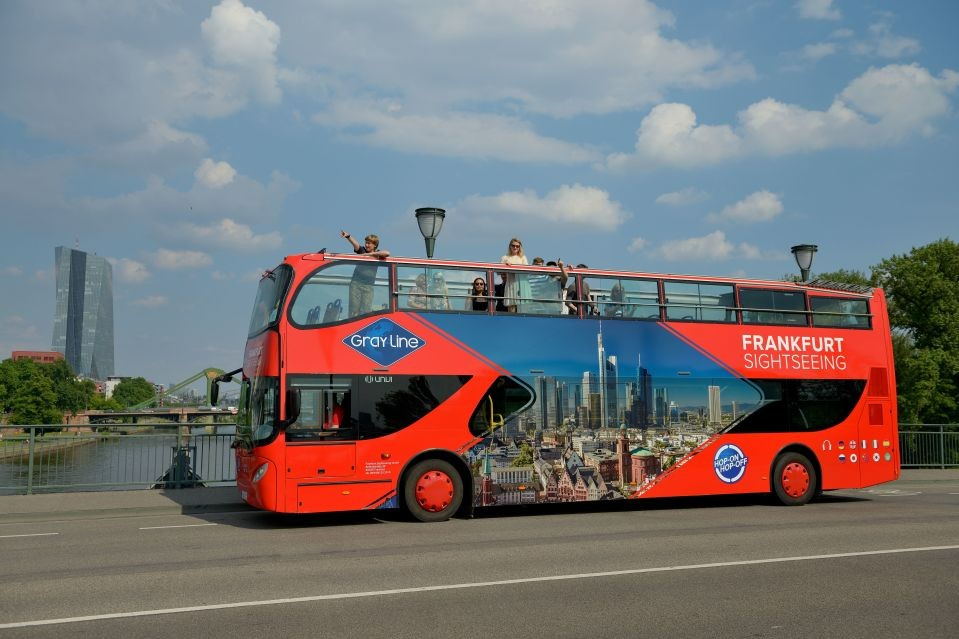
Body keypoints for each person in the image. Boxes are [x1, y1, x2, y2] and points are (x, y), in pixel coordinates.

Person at [341, 230, 389, 316]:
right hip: (356, 284)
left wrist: (369, 255)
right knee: (354, 309)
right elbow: (356, 245)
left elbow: (387, 253)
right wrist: (348, 236)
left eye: (369, 243)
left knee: (366, 310)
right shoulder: (362, 250)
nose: (366, 245)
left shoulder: (377, 254)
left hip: (369, 286)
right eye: (366, 243)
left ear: (375, 245)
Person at [500, 238, 528, 312]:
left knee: (522, 309)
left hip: (521, 284)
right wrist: (505, 266)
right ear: (510, 246)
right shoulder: (505, 257)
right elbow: (499, 272)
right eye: (513, 245)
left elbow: (526, 272)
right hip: (510, 284)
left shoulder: (523, 257)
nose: (515, 247)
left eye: (517, 246)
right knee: (511, 309)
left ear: (520, 247)